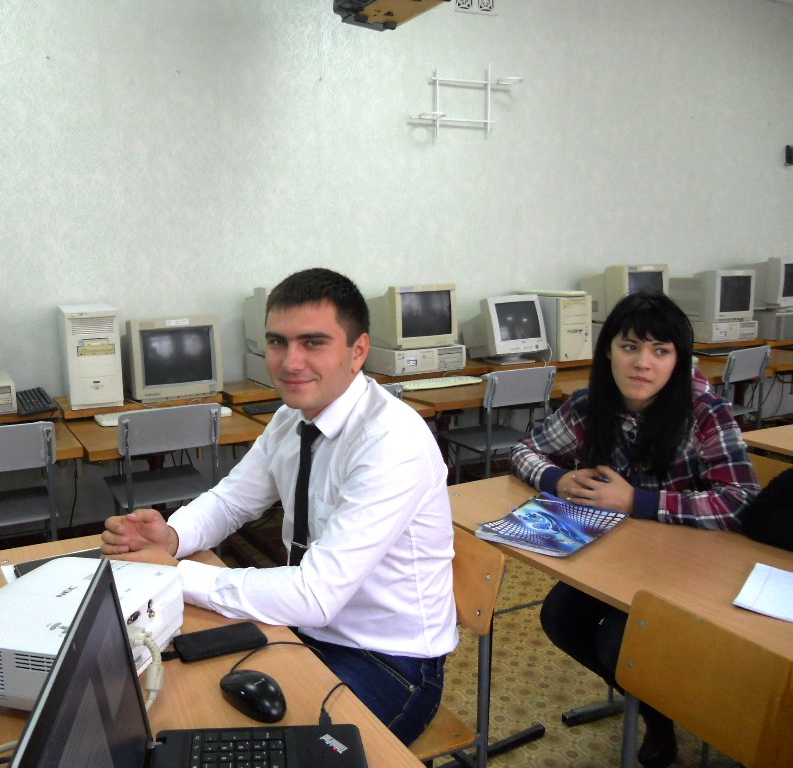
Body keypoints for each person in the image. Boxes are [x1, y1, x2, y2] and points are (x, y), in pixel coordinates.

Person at [101, 267, 456, 745]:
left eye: (313, 343)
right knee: (182, 707)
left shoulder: (391, 442)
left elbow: (315, 595)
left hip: (388, 659)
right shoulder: (292, 417)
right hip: (303, 629)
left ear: (358, 351)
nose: (290, 362)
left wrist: (174, 574)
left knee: (267, 750)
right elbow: (231, 500)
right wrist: (172, 537)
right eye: (277, 342)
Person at [510, 291, 759, 768]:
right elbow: (525, 450)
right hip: (620, 560)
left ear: (678, 359)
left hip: (692, 569)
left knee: (618, 643)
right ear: (608, 351)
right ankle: (654, 710)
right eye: (629, 347)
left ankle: (659, 713)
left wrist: (637, 501)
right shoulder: (590, 406)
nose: (642, 363)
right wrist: (556, 478)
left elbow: (742, 500)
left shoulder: (705, 413)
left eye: (660, 351)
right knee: (559, 618)